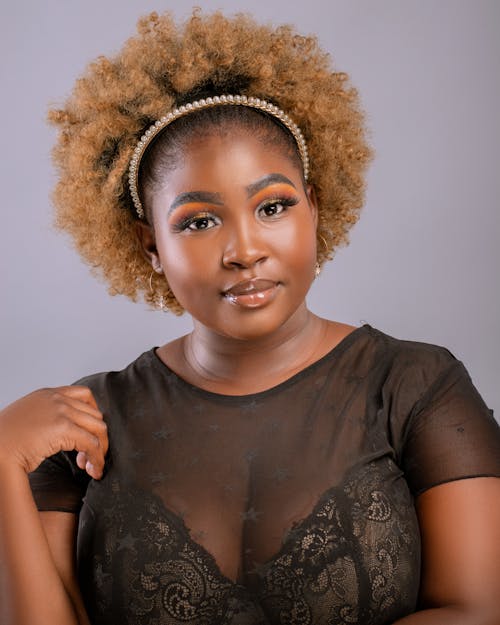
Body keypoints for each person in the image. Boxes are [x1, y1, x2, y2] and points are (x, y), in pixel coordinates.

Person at [0, 10, 499, 625]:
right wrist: (0, 460)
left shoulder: (419, 388)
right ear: (149, 247)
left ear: (313, 209)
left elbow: (476, 611)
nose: (243, 250)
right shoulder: (83, 424)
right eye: (198, 221)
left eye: (273, 206)